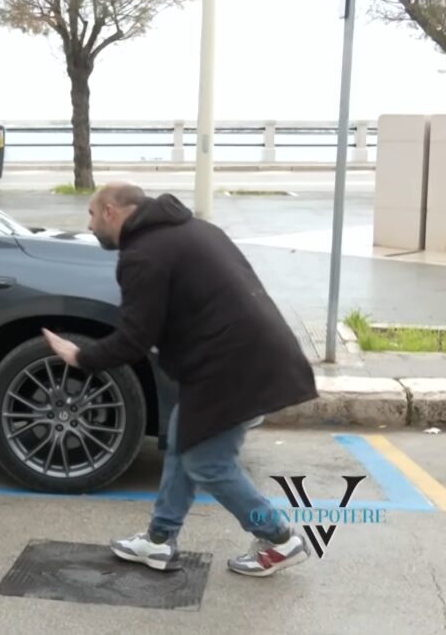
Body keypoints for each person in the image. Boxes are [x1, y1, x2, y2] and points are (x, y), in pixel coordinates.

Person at [42, 181, 318, 577]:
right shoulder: (195, 229)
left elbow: (135, 339)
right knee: (182, 441)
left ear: (110, 213)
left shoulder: (143, 255)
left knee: (208, 464)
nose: (88, 225)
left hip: (232, 367)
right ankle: (159, 540)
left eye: (91, 214)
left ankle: (279, 539)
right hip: (240, 355)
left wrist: (80, 357)